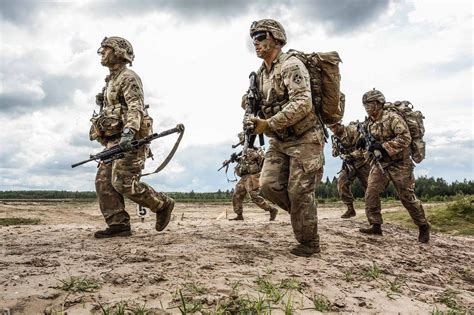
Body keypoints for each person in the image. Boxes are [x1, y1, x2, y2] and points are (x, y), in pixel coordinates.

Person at [245, 19, 325, 257]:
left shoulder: (291, 65)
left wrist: (268, 123)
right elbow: (257, 101)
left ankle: (310, 242)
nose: (256, 43)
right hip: (279, 140)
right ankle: (303, 214)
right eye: (254, 39)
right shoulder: (261, 74)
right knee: (267, 186)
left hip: (305, 137)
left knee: (299, 191)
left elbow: (303, 102)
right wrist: (248, 104)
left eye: (261, 37)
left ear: (276, 38)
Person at [89, 36, 175, 238]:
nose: (101, 52)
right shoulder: (111, 80)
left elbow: (135, 106)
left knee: (123, 182)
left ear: (119, 52)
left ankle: (162, 204)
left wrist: (129, 133)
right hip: (113, 139)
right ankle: (118, 224)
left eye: (106, 48)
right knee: (103, 181)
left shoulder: (129, 77)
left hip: (130, 138)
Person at [357, 89, 430, 243]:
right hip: (381, 163)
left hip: (400, 164)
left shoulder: (392, 117)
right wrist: (363, 141)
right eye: (365, 105)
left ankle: (423, 226)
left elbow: (405, 138)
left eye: (369, 104)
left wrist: (383, 146)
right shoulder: (369, 122)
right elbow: (371, 139)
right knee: (371, 192)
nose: (367, 107)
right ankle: (375, 225)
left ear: (378, 103)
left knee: (406, 197)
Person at [229, 133, 278, 221]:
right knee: (237, 194)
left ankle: (271, 210)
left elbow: (261, 159)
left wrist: (253, 153)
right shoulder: (244, 152)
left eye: (242, 140)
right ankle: (239, 215)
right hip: (244, 177)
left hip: (252, 176)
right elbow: (244, 162)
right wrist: (235, 158)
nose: (241, 142)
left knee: (254, 196)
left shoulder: (255, 149)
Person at [329, 121, 370, 218]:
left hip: (362, 163)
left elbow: (363, 148)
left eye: (333, 127)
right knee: (342, 184)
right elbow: (334, 153)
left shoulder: (352, 130)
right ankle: (350, 209)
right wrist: (337, 150)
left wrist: (351, 155)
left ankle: (372, 211)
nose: (332, 130)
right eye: (330, 128)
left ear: (339, 124)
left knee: (369, 188)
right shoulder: (335, 138)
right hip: (348, 165)